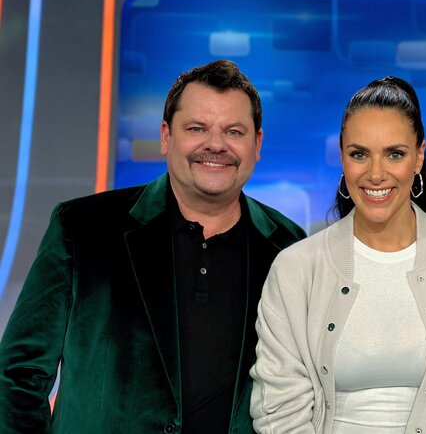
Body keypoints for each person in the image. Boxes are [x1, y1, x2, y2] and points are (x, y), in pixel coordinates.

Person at [0, 60, 305, 433]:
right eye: (197, 128)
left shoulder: (289, 248)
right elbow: (19, 374)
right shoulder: (82, 228)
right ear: (166, 136)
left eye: (234, 131)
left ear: (256, 144)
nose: (216, 144)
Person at [249, 76, 426, 433]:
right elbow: (279, 411)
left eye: (395, 154)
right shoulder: (295, 270)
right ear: (342, 156)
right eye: (359, 154)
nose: (376, 174)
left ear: (419, 156)